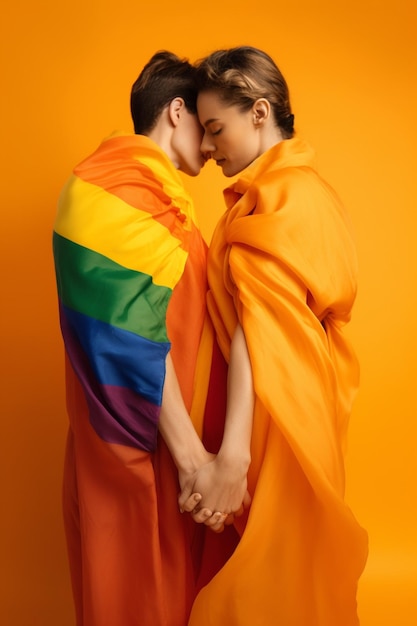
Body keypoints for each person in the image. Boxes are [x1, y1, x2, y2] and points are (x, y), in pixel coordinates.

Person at [179, 46, 369, 625]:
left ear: (259, 112)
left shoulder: (276, 199)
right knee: (294, 567)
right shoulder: (309, 189)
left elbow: (258, 334)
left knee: (271, 576)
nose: (207, 148)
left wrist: (232, 455)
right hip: (310, 399)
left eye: (215, 129)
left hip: (277, 412)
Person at [52, 51, 239, 626]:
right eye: (204, 128)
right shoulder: (114, 187)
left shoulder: (151, 193)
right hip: (137, 439)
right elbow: (128, 333)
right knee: (136, 589)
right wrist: (192, 461)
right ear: (175, 111)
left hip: (166, 432)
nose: (211, 149)